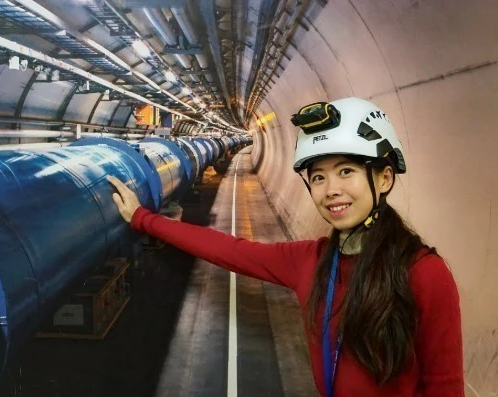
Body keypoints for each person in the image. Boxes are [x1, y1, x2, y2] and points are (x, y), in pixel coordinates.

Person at [106, 97, 464, 397]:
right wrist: (142, 218)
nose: (331, 190)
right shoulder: (311, 260)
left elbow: (445, 386)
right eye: (319, 177)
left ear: (384, 178)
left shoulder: (423, 274)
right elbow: (227, 249)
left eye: (346, 172)